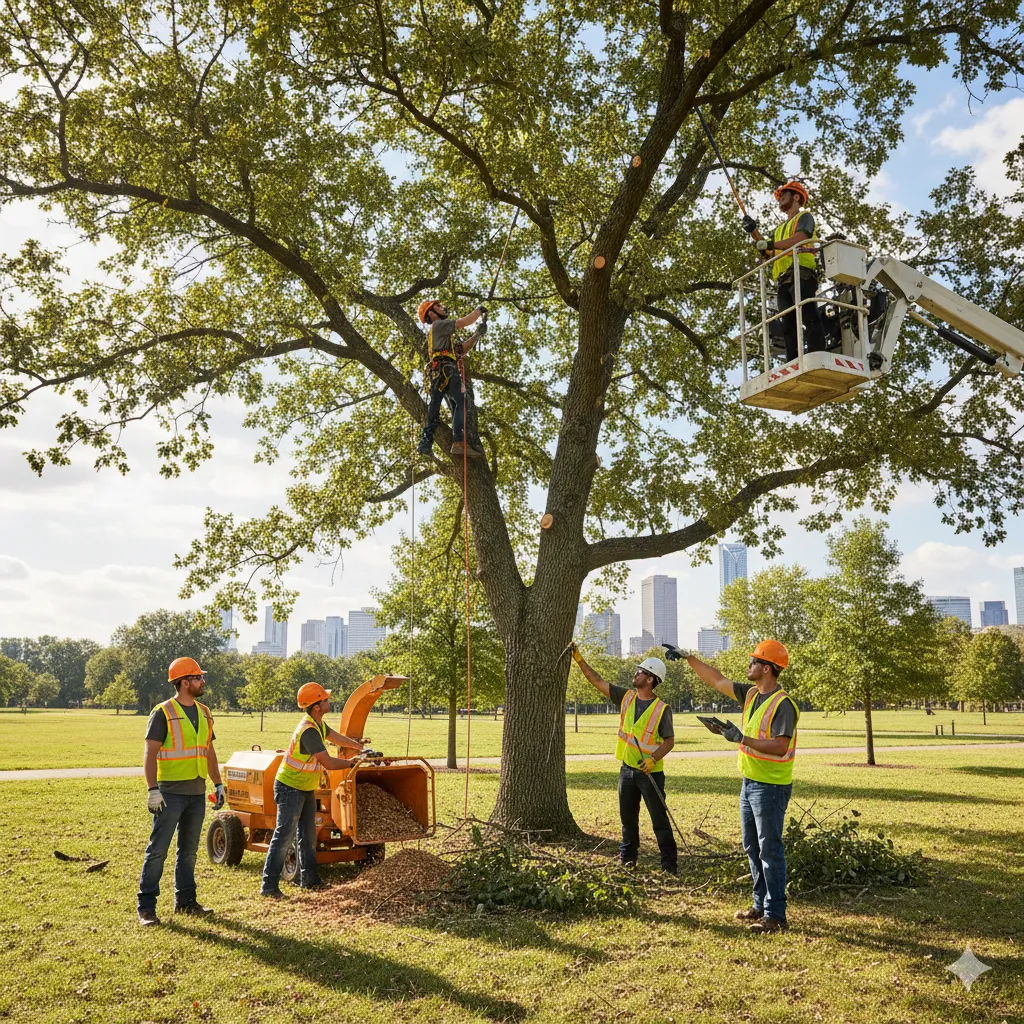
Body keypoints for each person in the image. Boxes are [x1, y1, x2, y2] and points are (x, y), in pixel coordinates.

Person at [668, 639, 799, 933]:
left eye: (753, 661)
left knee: (770, 850)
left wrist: (742, 738)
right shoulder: (751, 694)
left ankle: (776, 915)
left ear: (766, 668)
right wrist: (689, 658)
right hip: (749, 782)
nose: (748, 665)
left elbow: (780, 746)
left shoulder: (784, 704)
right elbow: (716, 679)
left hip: (771, 787)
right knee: (752, 846)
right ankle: (759, 905)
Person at [571, 645, 677, 874]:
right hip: (627, 771)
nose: (635, 673)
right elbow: (597, 681)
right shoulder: (626, 698)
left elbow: (669, 741)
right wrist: (580, 660)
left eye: (640, 671)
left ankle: (669, 866)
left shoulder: (661, 709)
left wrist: (653, 759)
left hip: (651, 774)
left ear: (650, 679)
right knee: (628, 821)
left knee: (659, 820)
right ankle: (628, 861)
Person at [137, 657, 224, 926]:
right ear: (184, 683)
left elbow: (208, 751)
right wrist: (153, 790)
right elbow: (150, 753)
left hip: (197, 793)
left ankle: (186, 902)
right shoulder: (162, 712)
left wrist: (218, 783)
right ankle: (146, 908)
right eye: (197, 678)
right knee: (158, 851)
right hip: (170, 793)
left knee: (188, 852)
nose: (202, 681)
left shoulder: (206, 712)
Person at [261, 682, 367, 897]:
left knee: (308, 835)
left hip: (305, 788)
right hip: (290, 788)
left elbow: (334, 736)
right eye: (325, 700)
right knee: (283, 836)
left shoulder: (318, 724)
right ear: (316, 706)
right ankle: (269, 886)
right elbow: (327, 762)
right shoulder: (308, 731)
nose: (329, 701)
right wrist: (352, 763)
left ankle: (309, 879)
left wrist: (358, 746)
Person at [743, 181, 826, 362]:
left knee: (808, 314)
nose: (780, 199)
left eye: (784, 195)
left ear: (796, 197)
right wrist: (754, 231)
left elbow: (800, 238)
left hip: (801, 272)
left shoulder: (805, 217)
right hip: (783, 279)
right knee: (787, 323)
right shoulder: (780, 229)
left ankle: (816, 355)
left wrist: (769, 244)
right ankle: (793, 361)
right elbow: (769, 252)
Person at [416, 298, 487, 458]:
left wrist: (477, 335)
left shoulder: (440, 338)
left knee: (434, 412)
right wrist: (478, 311)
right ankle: (458, 442)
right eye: (438, 306)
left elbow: (460, 350)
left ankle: (426, 443)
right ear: (432, 313)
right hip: (446, 370)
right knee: (461, 402)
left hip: (438, 374)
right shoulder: (439, 325)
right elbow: (462, 322)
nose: (443, 307)